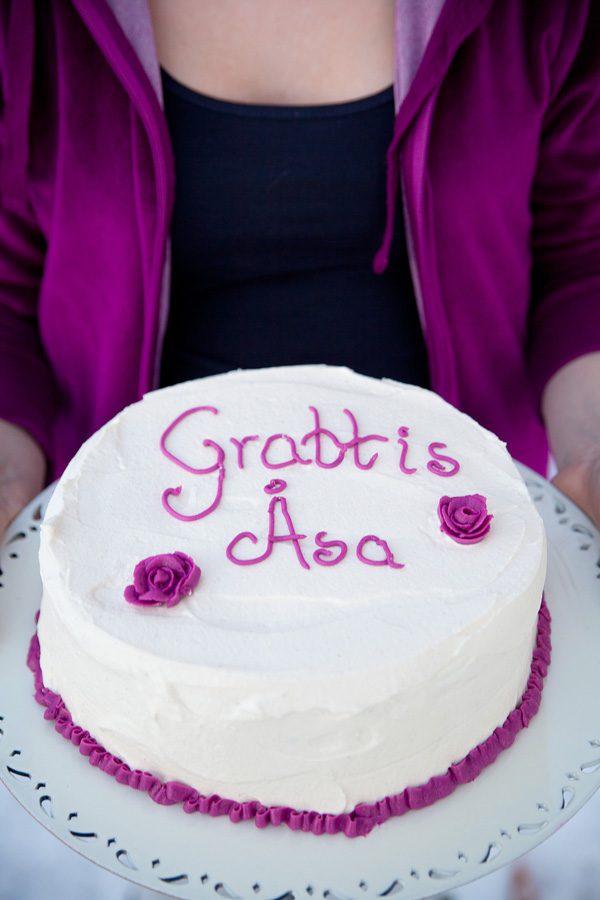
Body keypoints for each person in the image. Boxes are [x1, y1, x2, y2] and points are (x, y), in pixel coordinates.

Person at [0, 0, 599, 541]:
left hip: (461, 543)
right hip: (119, 542)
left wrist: (591, 447)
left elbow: (580, 260)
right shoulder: (28, 23)